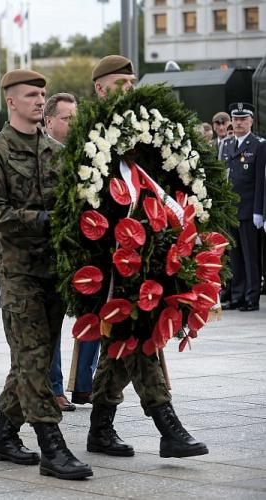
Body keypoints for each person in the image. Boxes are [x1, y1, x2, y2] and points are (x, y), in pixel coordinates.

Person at [0, 69, 92, 480]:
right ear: (11, 102)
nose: (40, 100)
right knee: (32, 357)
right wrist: (41, 218)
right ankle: (52, 447)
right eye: (31, 95)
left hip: (53, 272)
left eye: (42, 94)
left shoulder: (55, 151)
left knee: (33, 361)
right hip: (19, 273)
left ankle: (4, 436)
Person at [87, 54, 207, 460]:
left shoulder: (149, 135)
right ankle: (167, 425)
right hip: (111, 263)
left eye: (133, 83)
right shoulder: (93, 138)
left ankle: (100, 428)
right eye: (121, 84)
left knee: (122, 346)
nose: (130, 91)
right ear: (101, 88)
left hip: (152, 256)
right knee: (137, 341)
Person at [43, 92, 97, 412]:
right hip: (55, 251)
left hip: (87, 249)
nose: (73, 124)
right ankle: (54, 387)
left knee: (94, 316)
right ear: (48, 121)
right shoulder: (41, 155)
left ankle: (85, 385)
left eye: (76, 118)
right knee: (53, 321)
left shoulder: (87, 153)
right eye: (66, 118)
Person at [224, 102, 265, 311]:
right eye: (236, 119)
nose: (239, 122)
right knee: (235, 257)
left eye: (243, 119)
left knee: (251, 257)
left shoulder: (259, 144)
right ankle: (237, 295)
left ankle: (251, 297)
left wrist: (260, 210)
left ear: (251, 121)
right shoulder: (227, 144)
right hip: (231, 210)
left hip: (249, 210)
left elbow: (260, 181)